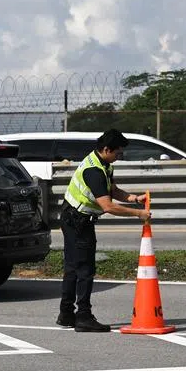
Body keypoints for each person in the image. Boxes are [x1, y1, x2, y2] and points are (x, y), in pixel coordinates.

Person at [58, 129, 151, 332]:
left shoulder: (101, 163)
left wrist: (134, 198)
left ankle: (66, 314)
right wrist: (138, 214)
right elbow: (108, 206)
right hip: (78, 221)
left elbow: (113, 190)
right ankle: (82, 316)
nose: (119, 157)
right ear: (106, 149)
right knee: (85, 269)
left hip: (73, 218)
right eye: (117, 153)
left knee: (73, 267)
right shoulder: (95, 171)